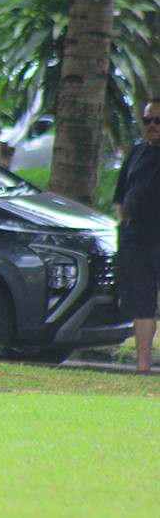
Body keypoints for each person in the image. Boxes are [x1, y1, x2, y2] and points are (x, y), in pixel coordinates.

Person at [114, 97, 160, 374]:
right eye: (147, 120)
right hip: (135, 242)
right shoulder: (137, 153)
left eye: (158, 121)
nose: (152, 126)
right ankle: (142, 368)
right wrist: (122, 226)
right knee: (142, 305)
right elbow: (121, 195)